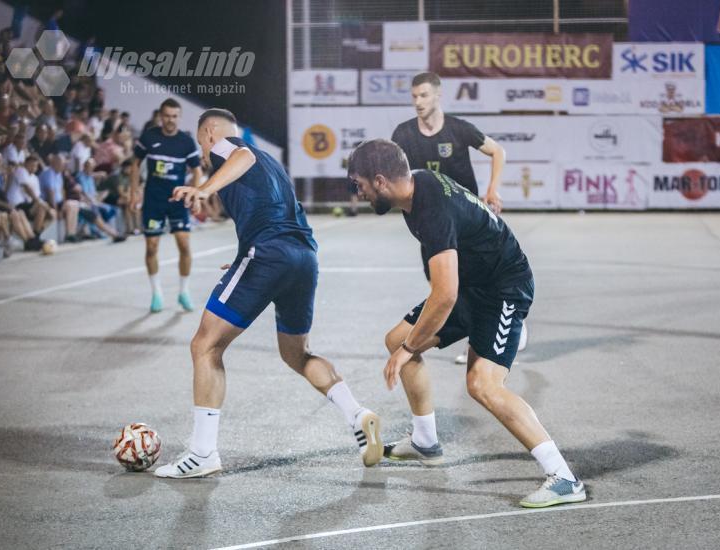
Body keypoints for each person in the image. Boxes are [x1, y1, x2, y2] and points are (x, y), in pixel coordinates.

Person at [347, 139, 585, 508]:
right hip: (472, 285)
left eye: (358, 184)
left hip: (503, 288)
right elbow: (446, 288)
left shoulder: (431, 210)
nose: (357, 193)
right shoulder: (419, 184)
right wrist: (408, 343)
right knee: (397, 338)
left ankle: (565, 479)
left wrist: (412, 348)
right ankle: (425, 442)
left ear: (380, 181)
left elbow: (444, 294)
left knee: (482, 385)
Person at [154, 108, 383, 478]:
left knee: (205, 346)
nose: (203, 153)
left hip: (269, 254)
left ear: (210, 133)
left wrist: (203, 188)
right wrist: (242, 257)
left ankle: (202, 453)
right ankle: (357, 414)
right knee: (297, 354)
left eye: (200, 144)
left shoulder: (229, 148)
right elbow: (269, 211)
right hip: (303, 257)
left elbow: (239, 157)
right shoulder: (271, 163)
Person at [391, 71, 528, 362]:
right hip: (433, 223)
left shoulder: (458, 129)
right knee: (442, 284)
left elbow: (497, 151)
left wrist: (493, 189)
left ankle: (503, 326)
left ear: (438, 96)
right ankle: (475, 333)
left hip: (467, 222)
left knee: (478, 275)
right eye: (414, 96)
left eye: (424, 95)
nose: (418, 101)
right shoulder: (403, 134)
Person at [130, 98, 202, 313]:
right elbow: (135, 164)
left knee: (184, 245)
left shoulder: (186, 142)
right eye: (167, 116)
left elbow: (197, 170)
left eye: (174, 116)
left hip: (177, 202)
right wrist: (134, 191)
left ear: (179, 117)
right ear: (161, 116)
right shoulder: (149, 137)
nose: (170, 120)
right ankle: (157, 293)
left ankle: (184, 292)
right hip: (153, 200)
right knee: (151, 247)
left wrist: (194, 195)